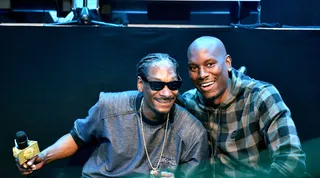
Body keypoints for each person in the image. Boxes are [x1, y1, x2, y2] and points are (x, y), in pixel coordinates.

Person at [17, 53, 209, 178]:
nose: (167, 93)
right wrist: (43, 156)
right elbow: (77, 138)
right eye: (157, 85)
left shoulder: (192, 132)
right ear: (141, 84)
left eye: (173, 85)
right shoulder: (110, 106)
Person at [179, 36, 307, 178]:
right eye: (193, 68)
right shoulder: (190, 102)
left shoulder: (260, 96)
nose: (202, 75)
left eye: (210, 64)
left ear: (227, 62)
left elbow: (291, 161)